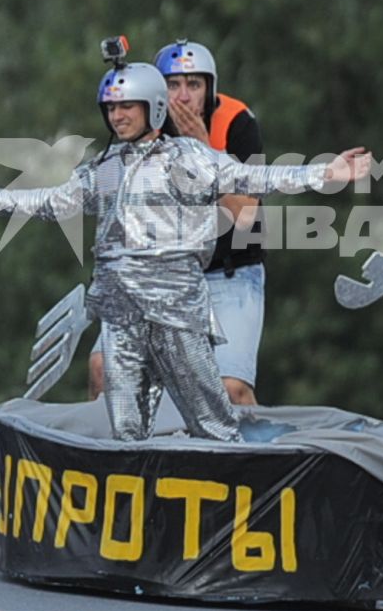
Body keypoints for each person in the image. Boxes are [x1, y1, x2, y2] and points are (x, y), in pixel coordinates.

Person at [0, 52, 370, 442]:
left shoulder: (187, 157)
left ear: (153, 107)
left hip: (177, 314)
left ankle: (235, 503)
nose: (117, 116)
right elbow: (54, 202)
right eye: (111, 107)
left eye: (127, 106)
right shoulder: (104, 168)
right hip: (122, 315)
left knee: (214, 423)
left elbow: (255, 180)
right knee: (125, 428)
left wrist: (325, 173)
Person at [89, 39, 267, 407]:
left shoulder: (237, 122)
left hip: (228, 271)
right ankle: (115, 456)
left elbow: (247, 215)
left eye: (194, 85)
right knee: (103, 368)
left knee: (230, 389)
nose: (183, 97)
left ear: (210, 89)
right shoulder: (144, 125)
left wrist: (206, 153)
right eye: (173, 85)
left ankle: (252, 459)